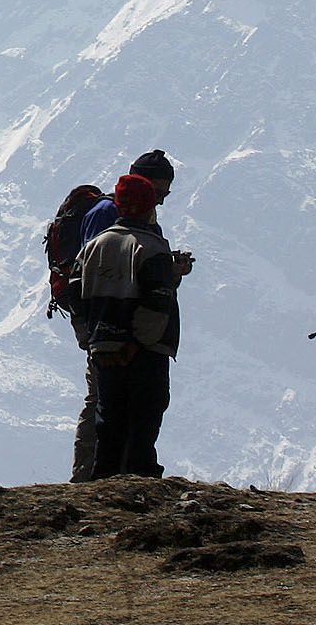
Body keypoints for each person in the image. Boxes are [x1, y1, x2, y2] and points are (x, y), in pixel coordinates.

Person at [70, 149, 180, 482]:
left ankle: (100, 478)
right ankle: (136, 478)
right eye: (158, 194)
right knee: (143, 411)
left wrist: (92, 338)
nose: (160, 202)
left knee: (109, 413)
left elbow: (79, 292)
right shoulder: (149, 244)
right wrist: (138, 342)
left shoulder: (94, 245)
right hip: (141, 348)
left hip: (102, 341)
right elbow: (155, 300)